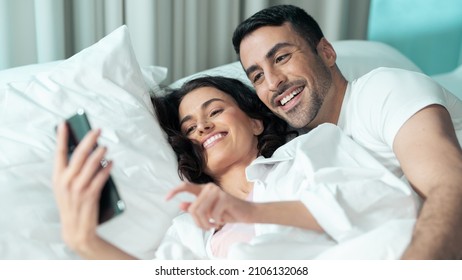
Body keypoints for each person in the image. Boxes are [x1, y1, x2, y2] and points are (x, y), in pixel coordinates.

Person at [53, 76, 418, 260]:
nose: (204, 127)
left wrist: (250, 210)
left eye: (214, 111)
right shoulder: (189, 230)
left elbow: (388, 207)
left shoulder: (311, 149)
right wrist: (85, 241)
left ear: (256, 122)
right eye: (190, 128)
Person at [231, 4, 462, 259]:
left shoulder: (383, 90)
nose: (273, 82)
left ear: (327, 53)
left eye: (281, 58)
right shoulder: (297, 156)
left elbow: (451, 189)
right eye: (258, 76)